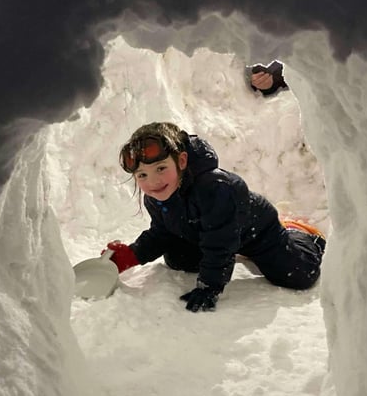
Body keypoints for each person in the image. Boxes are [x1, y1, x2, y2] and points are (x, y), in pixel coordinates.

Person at [105, 122, 325, 313]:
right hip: (208, 230)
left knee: (298, 275)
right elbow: (162, 233)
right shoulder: (157, 196)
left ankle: (301, 234)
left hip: (256, 232)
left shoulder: (217, 189)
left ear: (181, 161)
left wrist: (209, 287)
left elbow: (220, 244)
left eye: (161, 168)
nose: (153, 182)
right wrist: (130, 256)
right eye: (142, 175)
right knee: (179, 259)